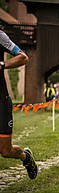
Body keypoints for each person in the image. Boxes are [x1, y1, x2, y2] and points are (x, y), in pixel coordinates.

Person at [0, 28, 38, 179]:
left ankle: (26, 157)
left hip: (1, 101)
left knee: (6, 151)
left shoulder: (0, 36)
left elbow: (23, 57)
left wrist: (2, 65)